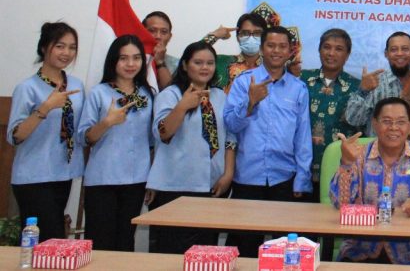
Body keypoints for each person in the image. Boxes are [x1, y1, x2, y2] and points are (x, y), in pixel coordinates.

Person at [223, 26, 312, 257]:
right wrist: (250, 102)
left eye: (282, 46)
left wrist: (302, 179)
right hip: (247, 177)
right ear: (262, 49)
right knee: (244, 248)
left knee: (283, 251)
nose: (276, 51)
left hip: (284, 178)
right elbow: (230, 125)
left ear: (290, 51)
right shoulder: (244, 82)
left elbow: (302, 137)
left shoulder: (298, 88)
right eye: (271, 45)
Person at [331, 97, 410, 269]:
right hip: (361, 246)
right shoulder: (359, 155)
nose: (393, 128)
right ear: (375, 124)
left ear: (409, 126)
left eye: (400, 122)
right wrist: (346, 163)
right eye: (386, 121)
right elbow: (340, 203)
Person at [147, 40, 235, 254]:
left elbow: (230, 138)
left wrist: (228, 174)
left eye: (210, 63)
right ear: (185, 65)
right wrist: (182, 106)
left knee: (206, 253)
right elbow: (163, 133)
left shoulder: (219, 96)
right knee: (173, 253)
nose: (205, 67)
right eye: (198, 62)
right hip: (176, 186)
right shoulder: (171, 94)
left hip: (212, 185)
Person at [8, 22, 85, 242]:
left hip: (64, 172)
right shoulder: (27, 88)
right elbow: (16, 135)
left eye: (72, 47)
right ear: (44, 48)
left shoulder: (77, 85)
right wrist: (46, 107)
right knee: (43, 240)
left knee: (55, 240)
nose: (66, 52)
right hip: (33, 176)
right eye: (60, 46)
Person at [79, 35, 155, 251]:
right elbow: (85, 137)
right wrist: (107, 122)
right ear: (113, 60)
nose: (131, 64)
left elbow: (151, 142)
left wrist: (152, 179)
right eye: (124, 58)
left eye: (136, 58)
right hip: (103, 179)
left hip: (137, 179)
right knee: (100, 243)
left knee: (125, 242)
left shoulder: (148, 94)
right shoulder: (99, 92)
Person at [300, 28, 360, 198]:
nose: (331, 53)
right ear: (319, 50)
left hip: (339, 170)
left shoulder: (357, 87)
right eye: (326, 47)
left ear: (347, 55)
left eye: (339, 49)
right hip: (302, 170)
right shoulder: (302, 79)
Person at [345, 31, 410, 136]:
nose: (399, 53)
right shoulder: (375, 83)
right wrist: (362, 91)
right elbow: (353, 120)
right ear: (386, 54)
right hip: (378, 145)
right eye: (394, 49)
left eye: (405, 49)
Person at [145, 11, 176, 90]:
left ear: (169, 37)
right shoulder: (132, 61)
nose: (158, 36)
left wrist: (160, 62)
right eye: (152, 30)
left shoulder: (178, 65)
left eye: (164, 32)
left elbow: (169, 93)